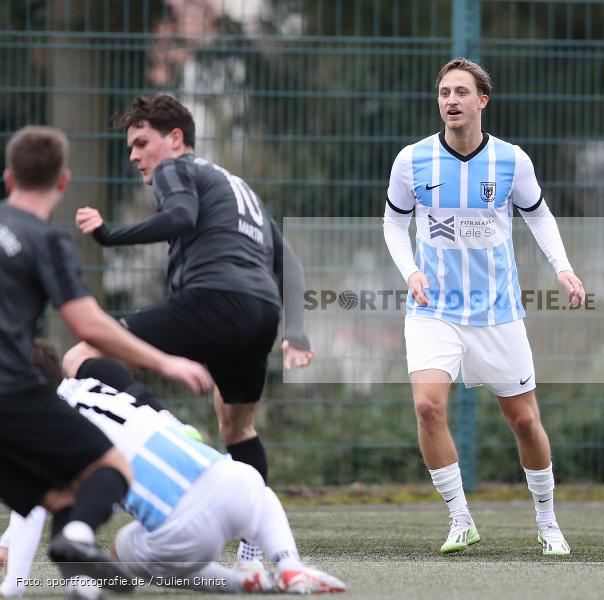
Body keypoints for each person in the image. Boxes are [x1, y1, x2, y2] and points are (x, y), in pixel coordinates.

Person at [63, 94, 314, 566]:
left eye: (142, 143)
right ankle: (252, 550)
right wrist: (296, 330)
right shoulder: (238, 188)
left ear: (175, 139)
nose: (134, 155)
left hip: (211, 300)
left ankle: (171, 430)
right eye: (130, 147)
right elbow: (291, 263)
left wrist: (108, 235)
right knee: (237, 426)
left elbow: (180, 217)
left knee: (81, 357)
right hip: (261, 312)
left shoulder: (175, 169)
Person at [383, 58, 585, 555]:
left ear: (482, 101)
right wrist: (410, 272)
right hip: (434, 310)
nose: (451, 100)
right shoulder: (411, 160)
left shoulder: (511, 161)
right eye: (444, 93)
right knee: (427, 407)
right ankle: (460, 519)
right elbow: (394, 224)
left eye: (461, 92)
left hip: (498, 312)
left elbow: (539, 216)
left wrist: (563, 268)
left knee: (524, 421)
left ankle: (547, 522)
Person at [0, 126, 212, 595]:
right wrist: (164, 362)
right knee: (110, 468)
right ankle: (77, 540)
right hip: (11, 390)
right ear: (63, 182)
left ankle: (80, 583)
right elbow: (88, 324)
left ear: (9, 179)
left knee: (62, 495)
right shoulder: (44, 240)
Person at [0, 341, 346, 597]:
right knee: (258, 491)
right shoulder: (95, 387)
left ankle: (243, 583)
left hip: (182, 531)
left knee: (122, 548)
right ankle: (290, 567)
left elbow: (33, 511)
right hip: (232, 481)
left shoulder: (45, 425)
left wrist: (13, 586)